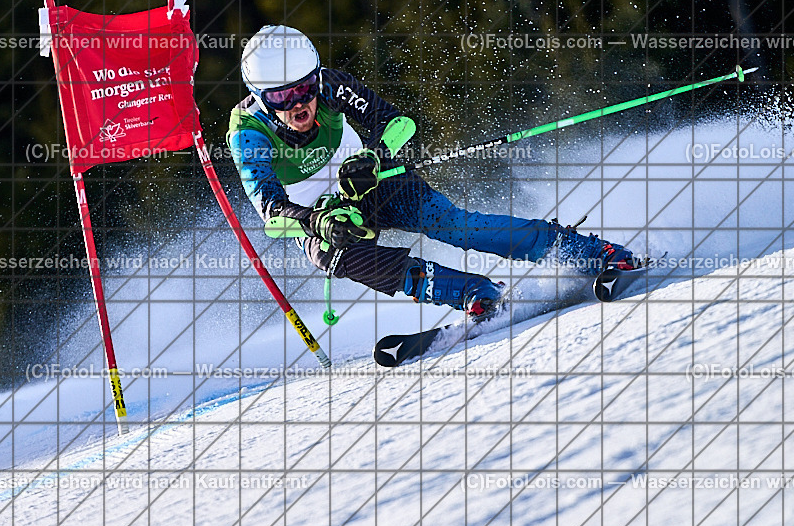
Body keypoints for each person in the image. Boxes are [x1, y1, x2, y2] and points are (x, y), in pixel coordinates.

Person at [227, 25, 637, 321]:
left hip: (374, 182)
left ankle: (578, 249)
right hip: (319, 218)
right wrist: (318, 221)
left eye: (304, 88)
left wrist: (374, 156)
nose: (299, 103)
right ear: (262, 100)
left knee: (453, 225)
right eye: (283, 96)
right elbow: (272, 216)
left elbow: (396, 121)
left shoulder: (330, 85)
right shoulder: (248, 133)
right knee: (340, 258)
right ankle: (471, 292)